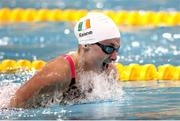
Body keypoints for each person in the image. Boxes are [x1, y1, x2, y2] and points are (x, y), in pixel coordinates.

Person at [9, 12, 121, 108]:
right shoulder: (58, 73)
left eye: (117, 49)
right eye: (109, 48)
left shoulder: (110, 72)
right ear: (86, 44)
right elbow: (15, 104)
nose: (114, 57)